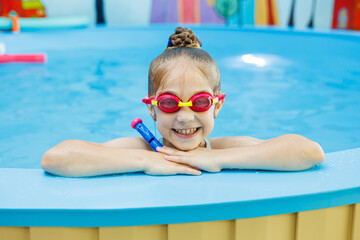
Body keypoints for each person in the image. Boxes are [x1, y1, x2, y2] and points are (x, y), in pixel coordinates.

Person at [41, 27, 325, 177]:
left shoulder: (224, 148)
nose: (185, 117)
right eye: (169, 103)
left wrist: (216, 158)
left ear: (218, 104)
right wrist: (146, 160)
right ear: (151, 108)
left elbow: (309, 152)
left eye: (200, 102)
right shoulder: (138, 148)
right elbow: (56, 158)